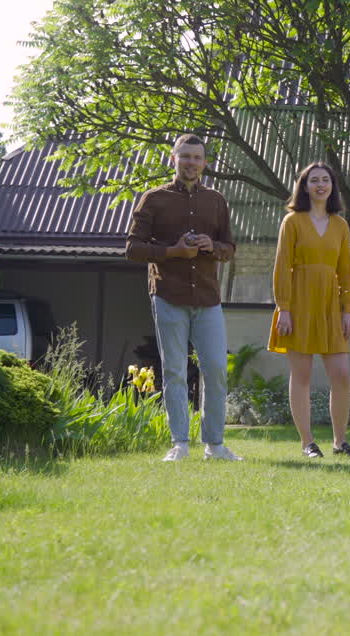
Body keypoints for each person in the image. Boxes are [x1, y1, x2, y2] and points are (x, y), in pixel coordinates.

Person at [126, 133, 241, 462]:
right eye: (185, 156)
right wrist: (174, 251)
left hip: (208, 297)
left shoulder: (216, 200)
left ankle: (215, 445)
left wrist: (212, 246)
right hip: (168, 295)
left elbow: (229, 249)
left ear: (205, 163)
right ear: (173, 159)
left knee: (216, 368)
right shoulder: (153, 199)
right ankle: (180, 443)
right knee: (175, 370)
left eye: (197, 157)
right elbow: (132, 249)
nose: (191, 162)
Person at [268, 162, 350, 459]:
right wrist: (284, 307)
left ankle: (340, 441)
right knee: (302, 375)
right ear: (304, 186)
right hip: (298, 304)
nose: (320, 185)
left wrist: (348, 310)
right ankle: (308, 442)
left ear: (332, 186)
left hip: (331, 307)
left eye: (325, 180)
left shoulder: (340, 225)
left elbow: (346, 271)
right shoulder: (292, 221)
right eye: (314, 180)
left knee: (342, 374)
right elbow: (282, 266)